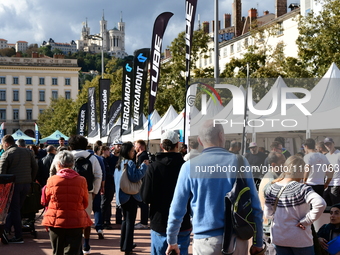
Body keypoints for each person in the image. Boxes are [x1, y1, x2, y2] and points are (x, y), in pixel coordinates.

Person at [166, 120, 263, 255]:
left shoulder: (188, 167)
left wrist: (172, 240)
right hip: (238, 239)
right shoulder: (240, 161)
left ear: (200, 141)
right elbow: (255, 206)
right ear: (222, 136)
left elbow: (177, 208)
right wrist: (258, 242)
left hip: (205, 241)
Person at [141, 130, 192, 255]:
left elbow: (145, 197)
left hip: (160, 221)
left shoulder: (153, 167)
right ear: (177, 145)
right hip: (182, 222)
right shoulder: (185, 167)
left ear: (162, 146)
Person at [264, 155, 327, 255]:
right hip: (301, 239)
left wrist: (281, 220)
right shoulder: (303, 188)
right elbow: (321, 203)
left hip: (279, 238)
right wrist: (307, 220)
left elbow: (268, 214)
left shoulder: (272, 188)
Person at [41, 150, 93, 255]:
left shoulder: (52, 180)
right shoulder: (82, 180)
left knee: (57, 251)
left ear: (59, 164)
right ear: (72, 164)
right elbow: (85, 202)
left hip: (56, 221)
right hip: (76, 220)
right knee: (73, 251)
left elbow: (44, 201)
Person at [0, 134, 38, 243]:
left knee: (15, 210)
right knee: (17, 209)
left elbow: (2, 173)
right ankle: (6, 229)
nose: (3, 146)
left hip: (13, 185)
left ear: (6, 143)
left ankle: (18, 236)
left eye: (3, 144)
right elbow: (35, 167)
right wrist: (31, 179)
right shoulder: (27, 152)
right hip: (26, 184)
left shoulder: (7, 154)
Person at [68, 135, 102, 254]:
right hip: (87, 192)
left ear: (71, 146)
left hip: (69, 193)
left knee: (70, 219)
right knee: (86, 220)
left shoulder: (65, 157)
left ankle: (74, 245)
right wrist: (94, 192)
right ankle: (86, 245)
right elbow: (98, 175)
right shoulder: (92, 158)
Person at [114, 142, 147, 255]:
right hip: (130, 195)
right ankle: (128, 247)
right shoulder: (129, 163)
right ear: (128, 152)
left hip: (122, 196)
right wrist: (143, 166)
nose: (134, 153)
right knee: (130, 222)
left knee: (125, 221)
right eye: (133, 150)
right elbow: (135, 177)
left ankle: (124, 244)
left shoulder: (119, 163)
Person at [258, 152, 286, 255]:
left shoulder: (273, 177)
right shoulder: (271, 179)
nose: (285, 164)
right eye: (283, 162)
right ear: (274, 165)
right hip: (270, 228)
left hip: (270, 226)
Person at [101, 145, 122, 229]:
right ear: (103, 151)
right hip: (107, 184)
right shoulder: (103, 160)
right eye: (107, 150)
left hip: (110, 183)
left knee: (107, 202)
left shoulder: (108, 159)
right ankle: (102, 222)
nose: (109, 152)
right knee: (105, 202)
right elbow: (104, 173)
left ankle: (106, 220)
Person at [134, 139, 149, 230]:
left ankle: (144, 222)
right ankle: (144, 221)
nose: (134, 147)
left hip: (142, 182)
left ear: (139, 146)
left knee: (143, 202)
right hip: (144, 181)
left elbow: (140, 169)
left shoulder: (142, 156)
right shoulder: (143, 155)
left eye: (135, 145)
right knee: (143, 202)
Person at [324, 137, 340, 206]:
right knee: (326, 202)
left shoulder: (338, 154)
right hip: (327, 182)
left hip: (336, 182)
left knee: (335, 203)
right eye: (326, 145)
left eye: (330, 144)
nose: (328, 146)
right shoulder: (326, 156)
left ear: (334, 144)